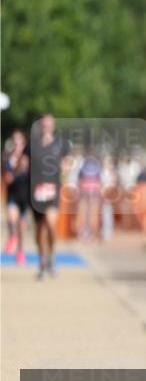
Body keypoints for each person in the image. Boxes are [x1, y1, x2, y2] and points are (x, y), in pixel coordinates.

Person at [28, 114, 67, 279]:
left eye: (49, 124)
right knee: (39, 230)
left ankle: (51, 257)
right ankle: (42, 263)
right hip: (36, 192)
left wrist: (65, 169)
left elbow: (67, 162)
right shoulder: (33, 145)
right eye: (44, 124)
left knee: (51, 224)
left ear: (53, 126)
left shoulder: (60, 144)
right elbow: (24, 164)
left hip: (52, 191)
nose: (46, 127)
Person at [4, 132, 30, 264]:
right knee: (11, 218)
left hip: (24, 197)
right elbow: (7, 179)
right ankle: (11, 236)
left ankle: (20, 251)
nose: (16, 143)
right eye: (14, 140)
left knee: (21, 227)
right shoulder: (8, 159)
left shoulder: (27, 159)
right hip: (12, 196)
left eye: (19, 140)